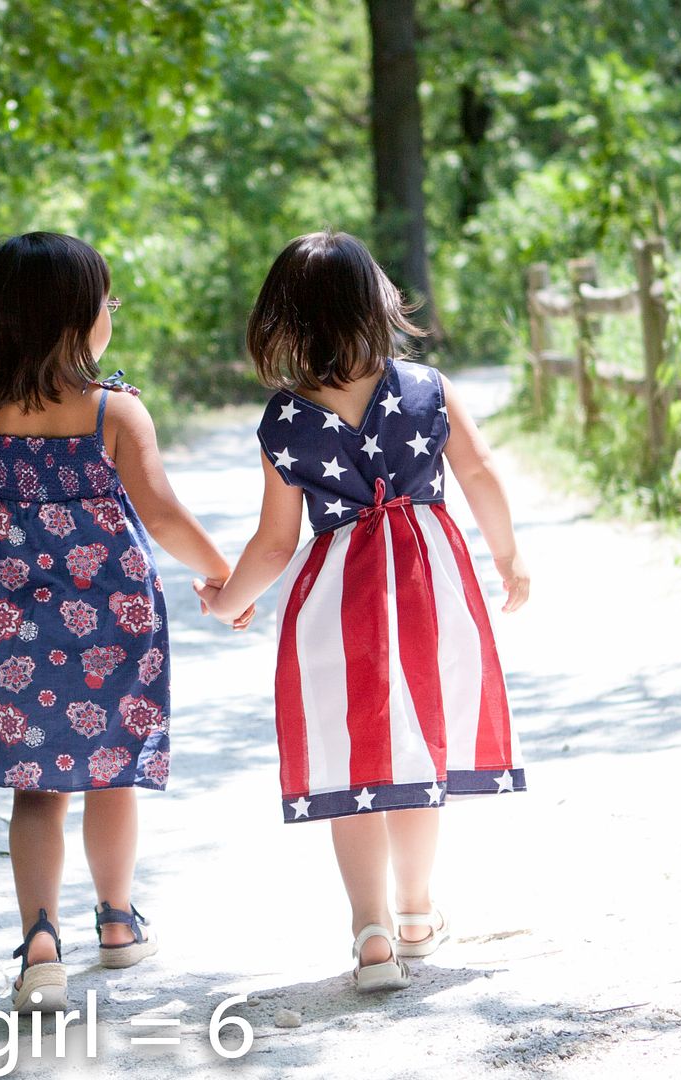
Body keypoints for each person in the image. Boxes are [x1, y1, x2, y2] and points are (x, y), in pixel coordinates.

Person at [194, 229, 529, 993]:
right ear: (379, 305)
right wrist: (509, 556)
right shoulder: (428, 389)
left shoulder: (284, 421)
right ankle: (416, 913)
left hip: (336, 604)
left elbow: (275, 546)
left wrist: (226, 602)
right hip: (427, 587)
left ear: (285, 322)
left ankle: (370, 934)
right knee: (417, 755)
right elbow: (477, 473)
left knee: (355, 764)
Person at [0, 232, 250, 1012]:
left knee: (35, 791)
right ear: (76, 320)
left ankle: (40, 943)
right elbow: (163, 512)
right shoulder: (115, 412)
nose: (113, 311)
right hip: (114, 621)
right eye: (106, 300)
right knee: (113, 771)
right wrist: (221, 574)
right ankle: (115, 922)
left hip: (9, 629)